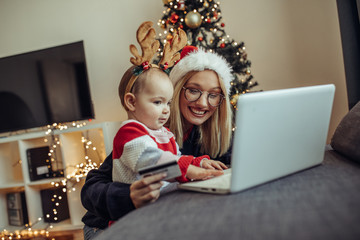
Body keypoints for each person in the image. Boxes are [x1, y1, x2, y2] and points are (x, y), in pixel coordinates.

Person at [81, 21, 232, 240]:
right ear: (178, 89)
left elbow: (189, 160)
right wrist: (128, 196)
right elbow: (94, 187)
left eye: (213, 94)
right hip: (106, 226)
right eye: (193, 91)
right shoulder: (144, 130)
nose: (203, 103)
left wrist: (198, 162)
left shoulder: (211, 134)